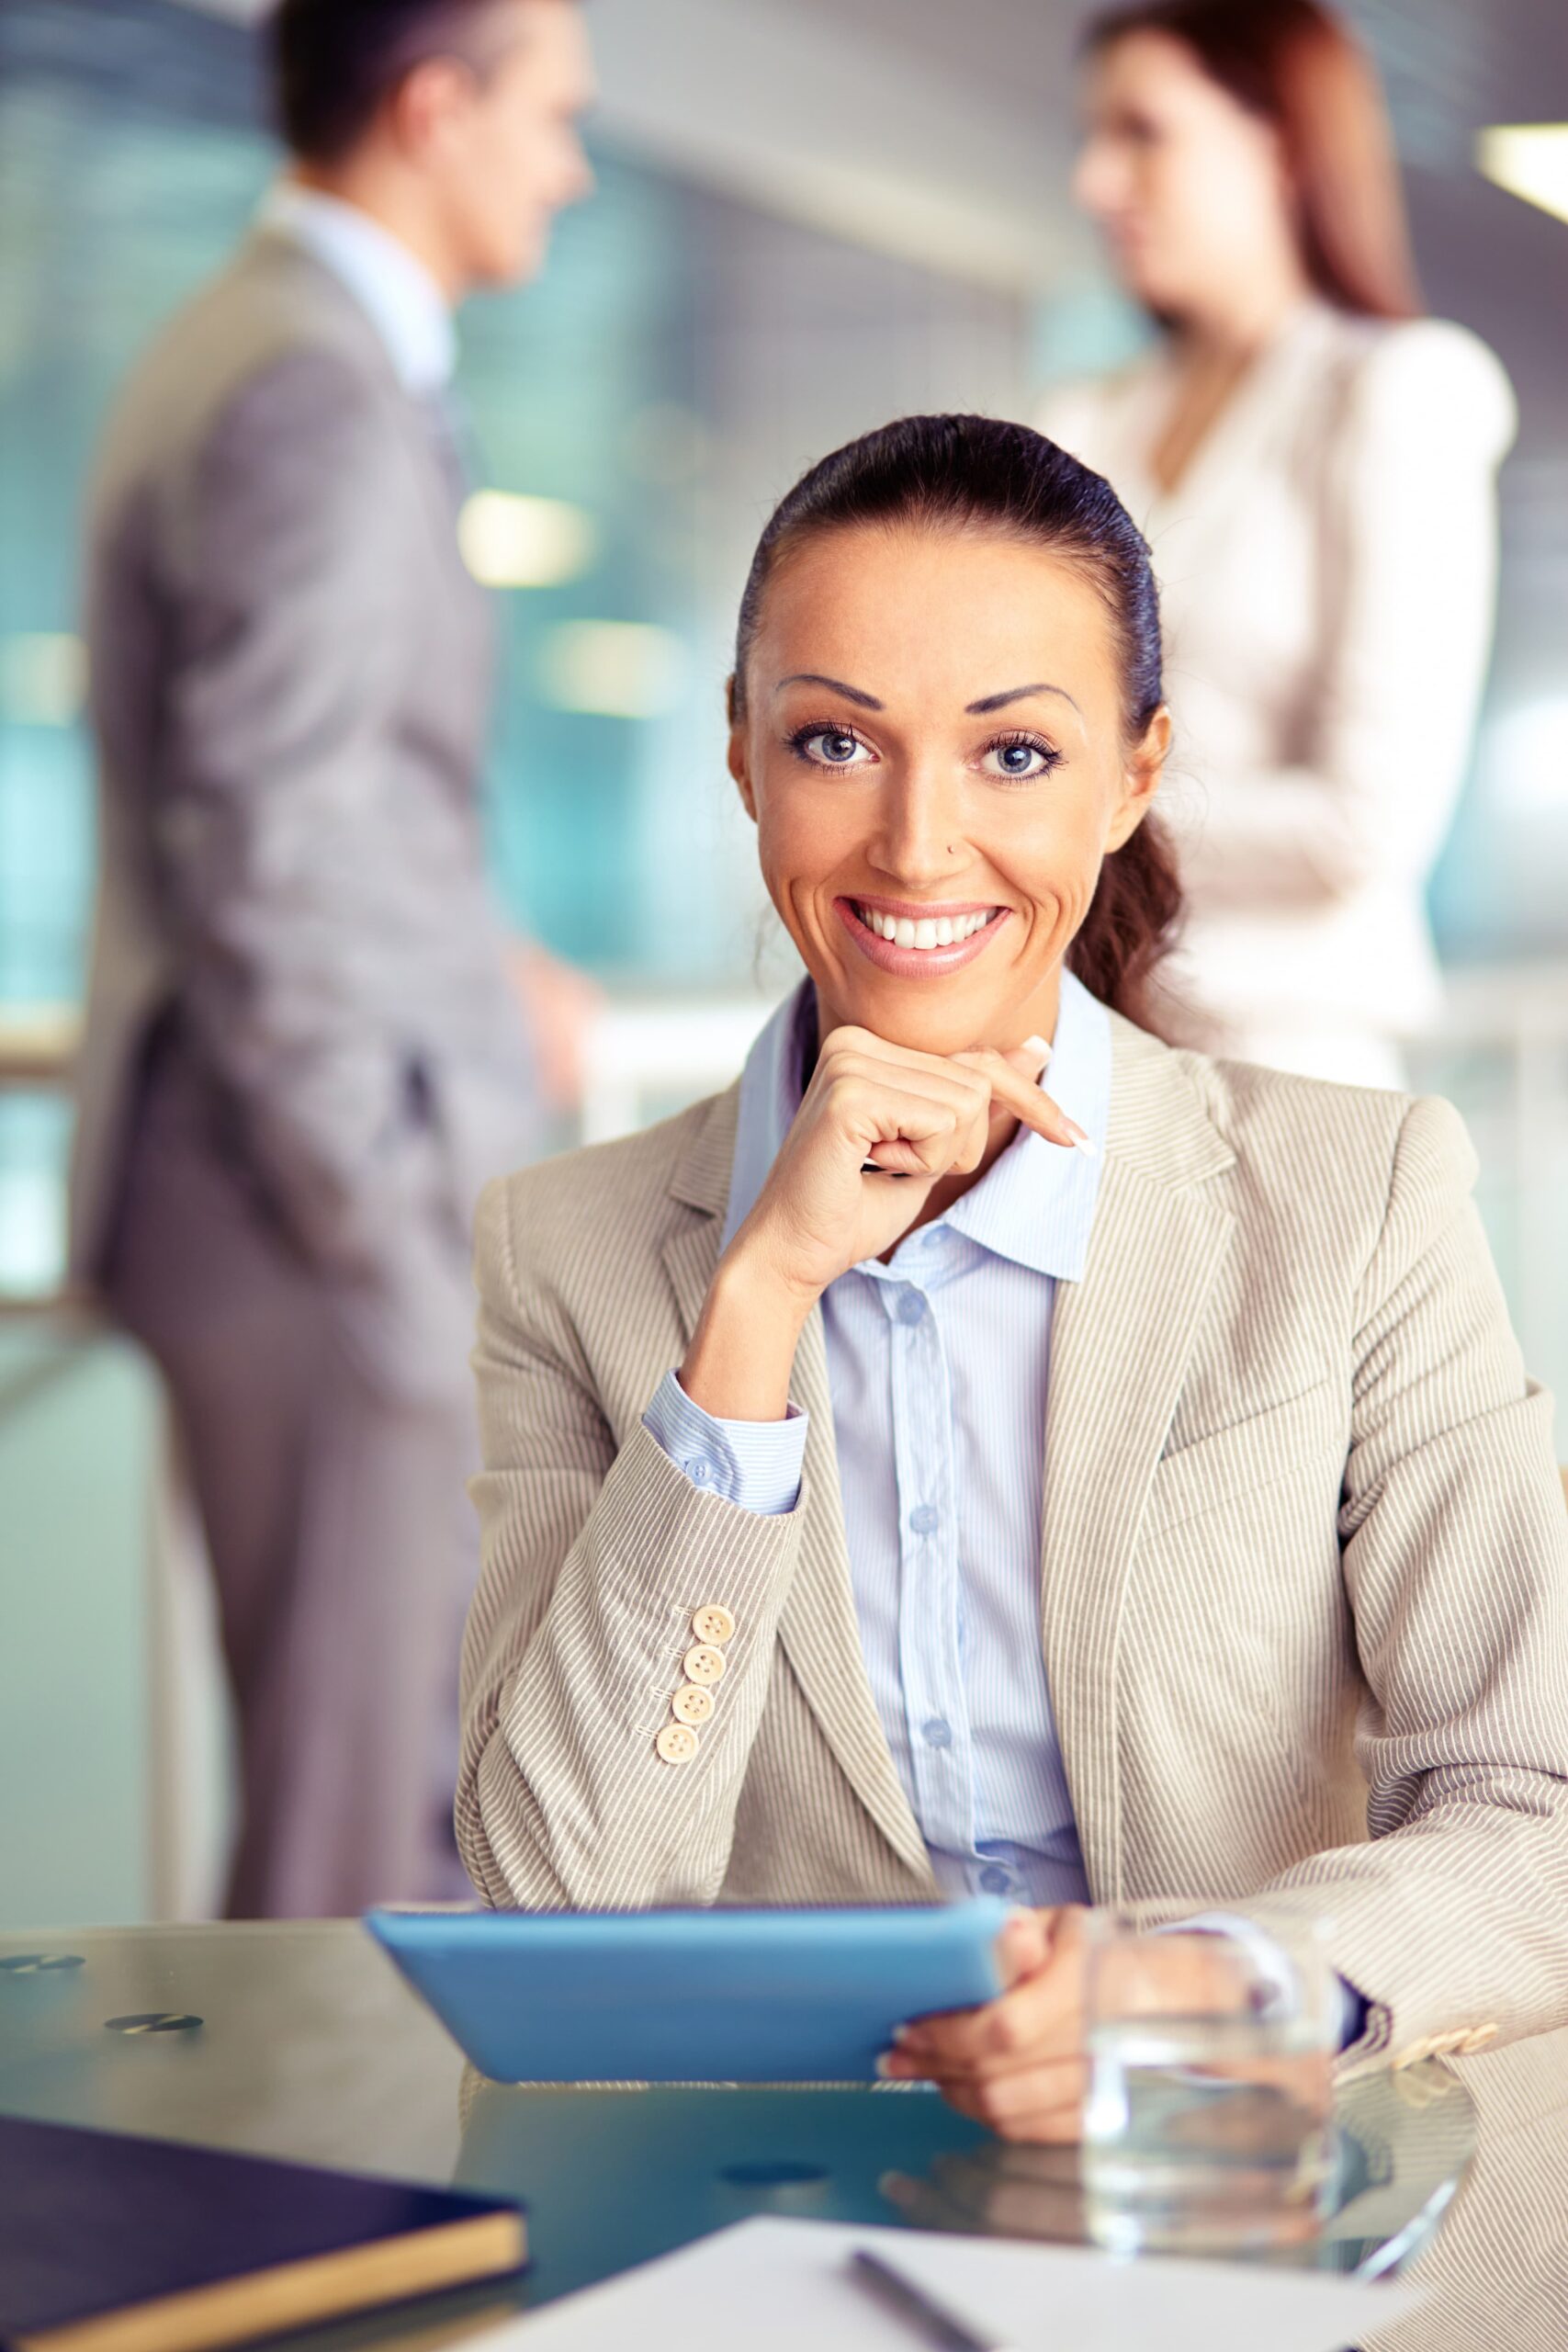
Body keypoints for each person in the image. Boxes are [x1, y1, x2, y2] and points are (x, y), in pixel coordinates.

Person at [456, 413, 1568, 2142]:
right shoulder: (567, 1252)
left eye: (1014, 758)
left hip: (1264, 2182)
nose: (915, 846)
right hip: (804, 2200)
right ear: (743, 762)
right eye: (837, 741)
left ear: (1133, 778)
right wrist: (753, 1309)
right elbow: (557, 1910)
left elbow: (1533, 1798)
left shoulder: (1357, 1201)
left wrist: (1215, 1990)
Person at [71, 0, 596, 1917]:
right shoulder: (306, 377)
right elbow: (267, 839)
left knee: (386, 1805)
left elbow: (345, 794)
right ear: (432, 107)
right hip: (303, 1215)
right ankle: (310, 2219)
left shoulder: (300, 350)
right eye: (551, 114)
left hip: (300, 1195)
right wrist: (374, 1219)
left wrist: (487, 952)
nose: (573, 162)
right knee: (346, 1844)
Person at [1038, 0, 1517, 1085]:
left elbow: (1364, 825)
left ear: (1282, 145)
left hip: (1292, 1071)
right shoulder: (1083, 422)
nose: (1096, 185)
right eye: (1091, 140)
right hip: (1085, 1055)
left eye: (1143, 132)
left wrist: (1059, 803)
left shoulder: (1395, 392)